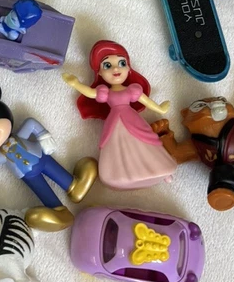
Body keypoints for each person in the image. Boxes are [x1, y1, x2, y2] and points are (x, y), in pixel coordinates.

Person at [62, 40, 176, 190]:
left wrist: (160, 109)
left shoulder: (132, 89)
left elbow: (146, 101)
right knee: (118, 148)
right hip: (115, 123)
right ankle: (122, 176)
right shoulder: (105, 92)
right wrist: (76, 84)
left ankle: (162, 171)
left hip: (133, 120)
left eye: (122, 63)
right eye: (107, 65)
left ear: (128, 68)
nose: (116, 68)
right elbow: (90, 93)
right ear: (99, 72)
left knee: (145, 142)